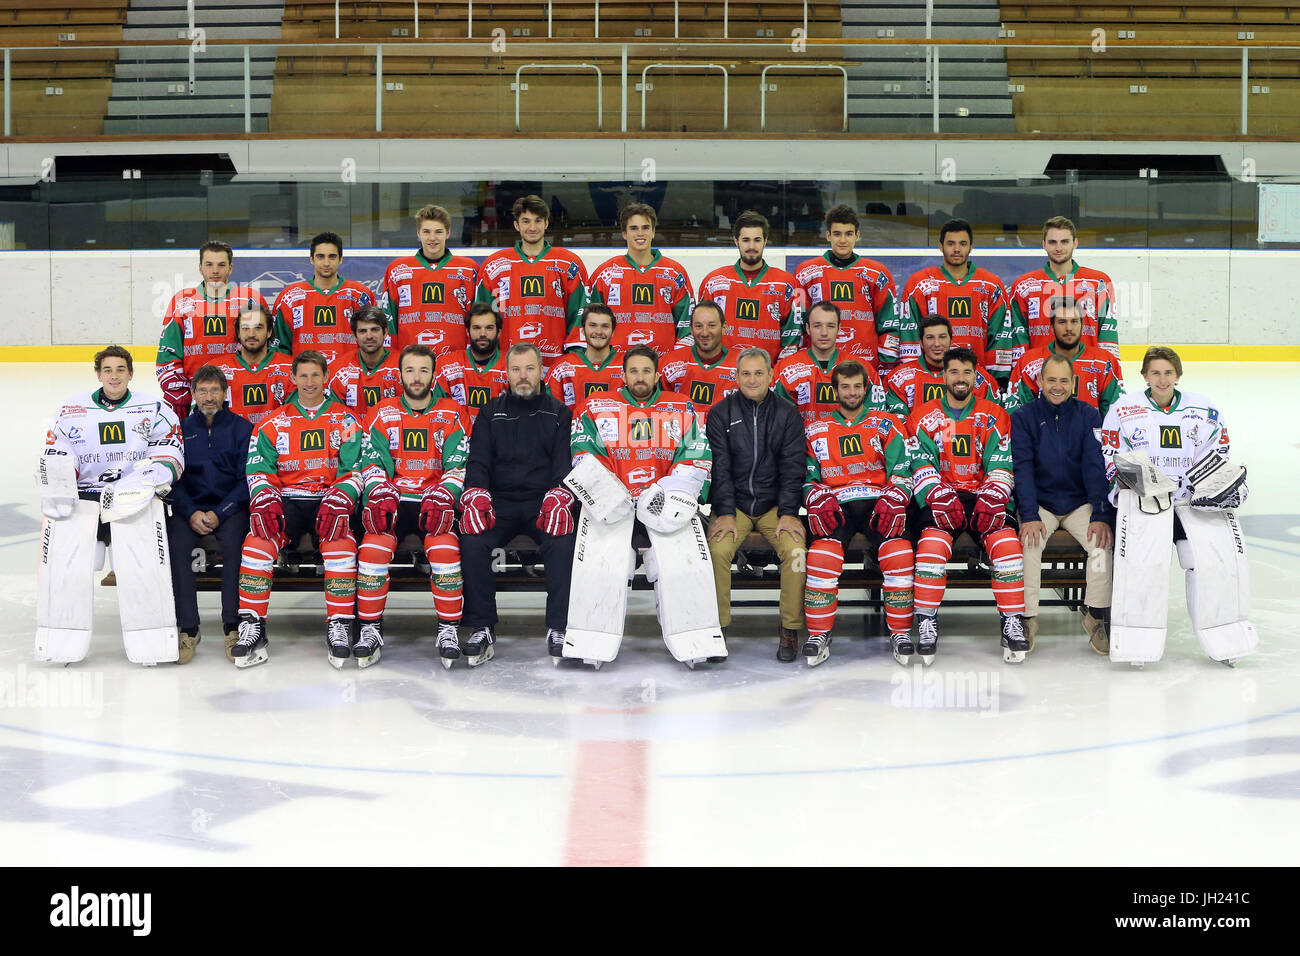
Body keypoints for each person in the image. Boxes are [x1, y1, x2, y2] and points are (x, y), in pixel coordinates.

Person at [1099, 347, 1255, 665]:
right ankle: (1136, 645)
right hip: (1145, 502)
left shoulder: (1204, 409)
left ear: (1178, 375)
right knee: (1143, 568)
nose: (1162, 379)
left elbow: (1218, 450)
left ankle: (1224, 641)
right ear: (1144, 375)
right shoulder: (1124, 408)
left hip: (1189, 502)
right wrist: (1142, 483)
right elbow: (1112, 452)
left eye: (1168, 372)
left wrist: (1206, 486)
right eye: (1155, 372)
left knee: (1207, 564)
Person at [566, 345, 718, 667]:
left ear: (657, 374)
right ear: (622, 375)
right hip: (614, 507)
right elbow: (584, 457)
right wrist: (613, 499)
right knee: (604, 566)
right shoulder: (594, 408)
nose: (640, 377)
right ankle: (592, 640)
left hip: (663, 508)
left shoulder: (682, 408)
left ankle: (696, 638)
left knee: (681, 565)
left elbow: (696, 457)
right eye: (633, 371)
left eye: (646, 371)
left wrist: (666, 498)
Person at [36, 346, 184, 665]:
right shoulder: (72, 409)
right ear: (98, 374)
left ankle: (153, 640)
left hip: (133, 498)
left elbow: (171, 449)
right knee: (68, 570)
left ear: (131, 373)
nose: (114, 376)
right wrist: (58, 475)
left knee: (143, 571)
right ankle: (60, 638)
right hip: (84, 499)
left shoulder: (154, 407)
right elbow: (56, 450)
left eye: (120, 369)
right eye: (107, 370)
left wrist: (151, 478)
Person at [231, 350, 365, 668]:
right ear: (292, 379)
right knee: (257, 544)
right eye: (302, 375)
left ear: (326, 377)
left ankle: (340, 624)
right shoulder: (272, 423)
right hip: (287, 499)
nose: (309, 382)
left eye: (315, 375)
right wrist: (264, 497)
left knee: (341, 546)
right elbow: (259, 466)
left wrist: (343, 496)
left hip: (329, 500)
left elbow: (355, 466)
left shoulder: (346, 420)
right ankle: (253, 624)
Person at [908, 346, 1030, 663]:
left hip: (982, 496)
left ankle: (1012, 621)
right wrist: (935, 493)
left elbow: (1001, 462)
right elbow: (919, 461)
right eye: (954, 372)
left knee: (1006, 545)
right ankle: (925, 620)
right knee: (931, 547)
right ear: (943, 376)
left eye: (966, 372)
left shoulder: (994, 414)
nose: (960, 378)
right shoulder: (922, 416)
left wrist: (993, 496)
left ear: (976, 376)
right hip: (942, 497)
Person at [459, 342, 577, 662]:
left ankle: (559, 626)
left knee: (564, 542)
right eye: (515, 369)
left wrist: (559, 494)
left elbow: (563, 465)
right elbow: (478, 462)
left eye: (529, 368)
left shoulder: (559, 413)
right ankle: (482, 626)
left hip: (543, 503)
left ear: (541, 371)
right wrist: (476, 493)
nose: (522, 376)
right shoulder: (490, 411)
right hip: (499, 502)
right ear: (507, 374)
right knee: (472, 542)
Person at [354, 344, 469, 668]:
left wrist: (445, 494)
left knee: (445, 548)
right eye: (410, 370)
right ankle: (370, 629)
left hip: (435, 500)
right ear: (400, 374)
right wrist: (378, 492)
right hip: (394, 498)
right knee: (373, 547)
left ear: (433, 375)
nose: (416, 378)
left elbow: (458, 463)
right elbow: (371, 460)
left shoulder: (451, 412)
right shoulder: (381, 411)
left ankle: (448, 629)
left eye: (423, 370)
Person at [801, 360, 916, 666]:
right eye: (844, 386)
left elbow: (903, 468)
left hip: (879, 500)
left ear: (867, 388)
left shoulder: (886, 423)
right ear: (834, 390)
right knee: (822, 555)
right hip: (835, 501)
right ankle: (819, 632)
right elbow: (808, 474)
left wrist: (896, 497)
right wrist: (814, 495)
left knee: (899, 551)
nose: (851, 393)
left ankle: (900, 632)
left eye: (857, 386)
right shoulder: (816, 430)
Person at [706, 347, 807, 662]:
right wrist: (723, 512)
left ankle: (789, 628)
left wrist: (789, 512)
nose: (752, 379)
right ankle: (717, 628)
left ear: (770, 375)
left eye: (758, 373)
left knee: (796, 552)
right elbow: (718, 467)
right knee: (717, 551)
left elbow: (793, 468)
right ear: (736, 377)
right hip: (733, 505)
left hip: (773, 506)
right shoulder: (720, 412)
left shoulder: (787, 413)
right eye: (745, 373)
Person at [1010, 353, 1114, 654]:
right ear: (1040, 381)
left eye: (1064, 380)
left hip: (1078, 503)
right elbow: (1023, 469)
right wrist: (1028, 514)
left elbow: (1095, 467)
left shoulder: (1089, 415)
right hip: (1041, 504)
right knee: (1030, 544)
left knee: (1100, 544)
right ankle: (1028, 618)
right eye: (1051, 379)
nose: (1058, 386)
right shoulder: (1023, 417)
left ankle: (1095, 614)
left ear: (1074, 383)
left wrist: (1099, 513)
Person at [166, 364, 253, 662]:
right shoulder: (180, 430)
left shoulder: (243, 428)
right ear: (192, 394)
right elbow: (172, 479)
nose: (208, 396)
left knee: (233, 547)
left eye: (214, 389)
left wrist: (221, 512)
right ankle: (188, 628)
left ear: (225, 393)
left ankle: (232, 624)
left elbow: (247, 480)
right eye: (202, 390)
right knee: (177, 546)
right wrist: (190, 512)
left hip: (229, 509)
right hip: (189, 509)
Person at [156, 240, 270, 418]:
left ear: (230, 268)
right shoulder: (182, 302)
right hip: (197, 394)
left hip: (240, 392)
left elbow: (269, 347)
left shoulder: (249, 299)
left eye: (221, 265)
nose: (215, 271)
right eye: (209, 265)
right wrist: (178, 392)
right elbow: (168, 352)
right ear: (200, 268)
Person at [898, 219, 1018, 380]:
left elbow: (1000, 336)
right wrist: (915, 377)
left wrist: (996, 380)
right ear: (940, 246)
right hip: (931, 379)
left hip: (977, 379)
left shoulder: (991, 285)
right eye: (950, 243)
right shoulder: (919, 284)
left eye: (962, 243)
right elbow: (910, 335)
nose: (956, 249)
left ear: (971, 247)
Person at [475, 194, 588, 365]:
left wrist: (572, 357)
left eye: (538, 221)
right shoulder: (495, 265)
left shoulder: (568, 263)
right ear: (516, 225)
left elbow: (579, 314)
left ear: (547, 223)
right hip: (506, 364)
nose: (532, 227)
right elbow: (481, 317)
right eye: (526, 221)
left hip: (554, 364)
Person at [793, 204, 900, 370]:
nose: (843, 240)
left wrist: (885, 365)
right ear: (828, 235)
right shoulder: (806, 273)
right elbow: (798, 324)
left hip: (864, 365)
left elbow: (889, 324)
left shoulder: (876, 273)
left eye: (848, 234)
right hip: (819, 367)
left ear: (857, 235)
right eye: (837, 234)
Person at [582, 202, 693, 355]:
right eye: (633, 228)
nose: (640, 233)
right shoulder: (604, 274)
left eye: (645, 228)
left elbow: (686, 328)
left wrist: (674, 363)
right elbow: (589, 325)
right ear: (624, 233)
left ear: (653, 232)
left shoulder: (675, 273)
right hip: (616, 367)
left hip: (661, 368)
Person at [1008, 216, 1119, 366]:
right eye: (1052, 242)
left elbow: (1108, 335)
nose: (1058, 248)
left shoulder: (1099, 282)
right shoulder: (1024, 286)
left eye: (1065, 242)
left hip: (1088, 373)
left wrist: (1109, 373)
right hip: (1041, 375)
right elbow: (1018, 339)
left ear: (1075, 243)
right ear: (1044, 245)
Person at [697, 210, 801, 362]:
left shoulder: (785, 284)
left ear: (765, 241)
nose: (751, 246)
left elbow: (792, 339)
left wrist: (775, 376)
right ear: (735, 240)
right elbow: (701, 334)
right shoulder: (713, 282)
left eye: (757, 240)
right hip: (723, 376)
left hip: (767, 378)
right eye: (746, 240)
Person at [380, 203, 480, 357]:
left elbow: (477, 320)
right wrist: (393, 360)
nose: (432, 238)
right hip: (411, 364)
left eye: (438, 232)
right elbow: (388, 320)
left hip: (456, 361)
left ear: (448, 233)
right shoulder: (397, 269)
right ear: (418, 233)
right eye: (426, 232)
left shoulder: (468, 269)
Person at [774, 301, 895, 425]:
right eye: (817, 326)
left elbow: (875, 417)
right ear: (808, 329)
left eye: (830, 326)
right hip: (801, 442)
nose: (824, 332)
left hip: (851, 441)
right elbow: (779, 422)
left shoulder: (862, 368)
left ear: (839, 328)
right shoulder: (785, 369)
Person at [269, 231, 375, 367]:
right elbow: (279, 348)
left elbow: (373, 343)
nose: (326, 263)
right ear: (311, 259)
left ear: (341, 259)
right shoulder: (290, 297)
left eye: (332, 257)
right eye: (320, 257)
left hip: (350, 381)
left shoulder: (359, 295)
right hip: (305, 383)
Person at [1005, 298, 1123, 420]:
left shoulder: (1104, 362)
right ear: (1051, 327)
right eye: (1062, 322)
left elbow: (1115, 415)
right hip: (1043, 437)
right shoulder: (1029, 362)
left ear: (1082, 325)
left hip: (1089, 437)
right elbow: (1017, 415)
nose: (1069, 328)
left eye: (1074, 321)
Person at [886, 314, 1002, 413]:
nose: (937, 344)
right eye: (930, 337)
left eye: (942, 337)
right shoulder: (898, 378)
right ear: (921, 343)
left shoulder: (978, 377)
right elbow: (898, 425)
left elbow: (992, 419)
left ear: (951, 341)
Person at [658, 300, 740, 427]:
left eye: (712, 325)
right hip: (681, 439)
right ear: (691, 329)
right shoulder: (669, 363)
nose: (705, 332)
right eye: (698, 326)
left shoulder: (741, 365)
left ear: (724, 328)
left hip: (726, 438)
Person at [209, 304, 294, 427]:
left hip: (275, 442)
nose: (251, 334)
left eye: (258, 327)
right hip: (231, 444)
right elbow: (202, 419)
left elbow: (297, 419)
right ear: (238, 332)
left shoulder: (290, 367)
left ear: (269, 331)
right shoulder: (216, 370)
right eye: (245, 328)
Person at [435, 302, 510, 429]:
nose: (482, 334)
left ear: (499, 332)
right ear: (467, 332)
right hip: (458, 440)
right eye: (476, 328)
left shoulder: (513, 365)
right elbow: (436, 411)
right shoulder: (446, 365)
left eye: (489, 328)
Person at [545, 304, 624, 410]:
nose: (599, 331)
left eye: (605, 326)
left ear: (613, 332)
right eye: (592, 325)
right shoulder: (562, 367)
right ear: (582, 330)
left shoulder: (627, 366)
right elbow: (549, 411)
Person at [328, 305, 401, 416]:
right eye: (362, 331)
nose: (369, 336)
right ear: (355, 336)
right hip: (351, 431)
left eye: (374, 330)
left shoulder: (403, 366)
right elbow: (334, 417)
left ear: (385, 332)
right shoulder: (338, 369)